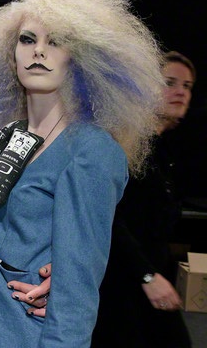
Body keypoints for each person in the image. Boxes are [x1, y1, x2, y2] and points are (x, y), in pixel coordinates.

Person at [0, 0, 164, 348]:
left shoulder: (90, 151)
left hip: (27, 335)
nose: (39, 51)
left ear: (81, 57)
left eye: (56, 41)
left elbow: (77, 293)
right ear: (10, 53)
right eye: (27, 40)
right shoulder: (10, 134)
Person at [91, 51, 196, 348]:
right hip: (120, 286)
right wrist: (147, 276)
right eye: (170, 83)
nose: (180, 92)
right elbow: (108, 217)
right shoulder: (125, 146)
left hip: (145, 283)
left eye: (187, 86)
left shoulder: (162, 151)